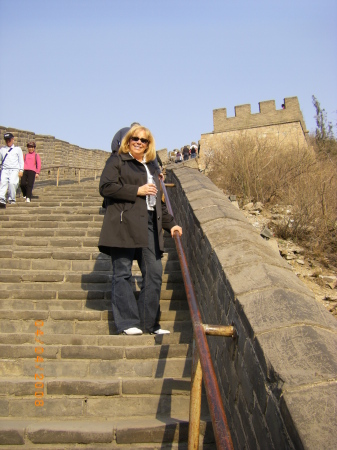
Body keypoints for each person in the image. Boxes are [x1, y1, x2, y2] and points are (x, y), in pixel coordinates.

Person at [98, 125, 182, 336]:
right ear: (127, 141)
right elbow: (105, 187)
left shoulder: (153, 168)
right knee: (123, 273)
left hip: (150, 225)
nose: (139, 142)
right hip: (123, 223)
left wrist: (171, 224)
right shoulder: (117, 161)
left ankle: (149, 323)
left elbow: (157, 201)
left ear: (149, 144)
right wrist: (137, 190)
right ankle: (127, 323)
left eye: (143, 140)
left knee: (153, 273)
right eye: (135, 138)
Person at [0, 132, 24, 208]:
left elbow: (21, 161)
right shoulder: (2, 150)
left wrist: (21, 170)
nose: (8, 141)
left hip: (14, 169)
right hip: (5, 169)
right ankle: (1, 198)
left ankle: (12, 198)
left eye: (9, 139)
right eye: (6, 140)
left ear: (13, 139)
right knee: (3, 183)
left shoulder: (17, 149)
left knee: (12, 183)